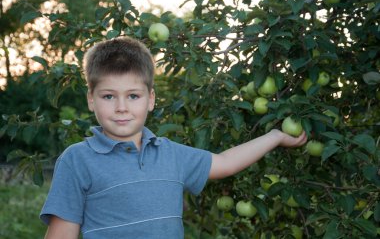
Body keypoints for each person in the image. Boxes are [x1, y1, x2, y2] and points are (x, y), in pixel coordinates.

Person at [40, 36, 307, 239]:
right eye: (108, 96)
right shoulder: (77, 160)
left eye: (133, 96)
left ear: (151, 99)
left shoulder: (169, 154)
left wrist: (275, 136)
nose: (121, 107)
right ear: (91, 100)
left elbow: (226, 162)